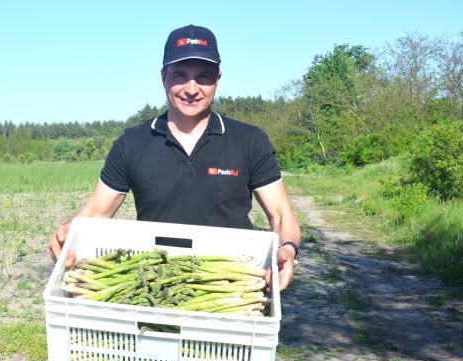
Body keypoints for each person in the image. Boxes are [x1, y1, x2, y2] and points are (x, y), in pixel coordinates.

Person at [49, 24, 301, 290]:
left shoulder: (250, 141)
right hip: (156, 286)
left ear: (218, 78)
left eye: (203, 77)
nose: (191, 89)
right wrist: (68, 233)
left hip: (231, 284)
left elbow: (281, 214)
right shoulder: (131, 144)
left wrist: (287, 248)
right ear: (163, 76)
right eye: (180, 75)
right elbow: (96, 212)